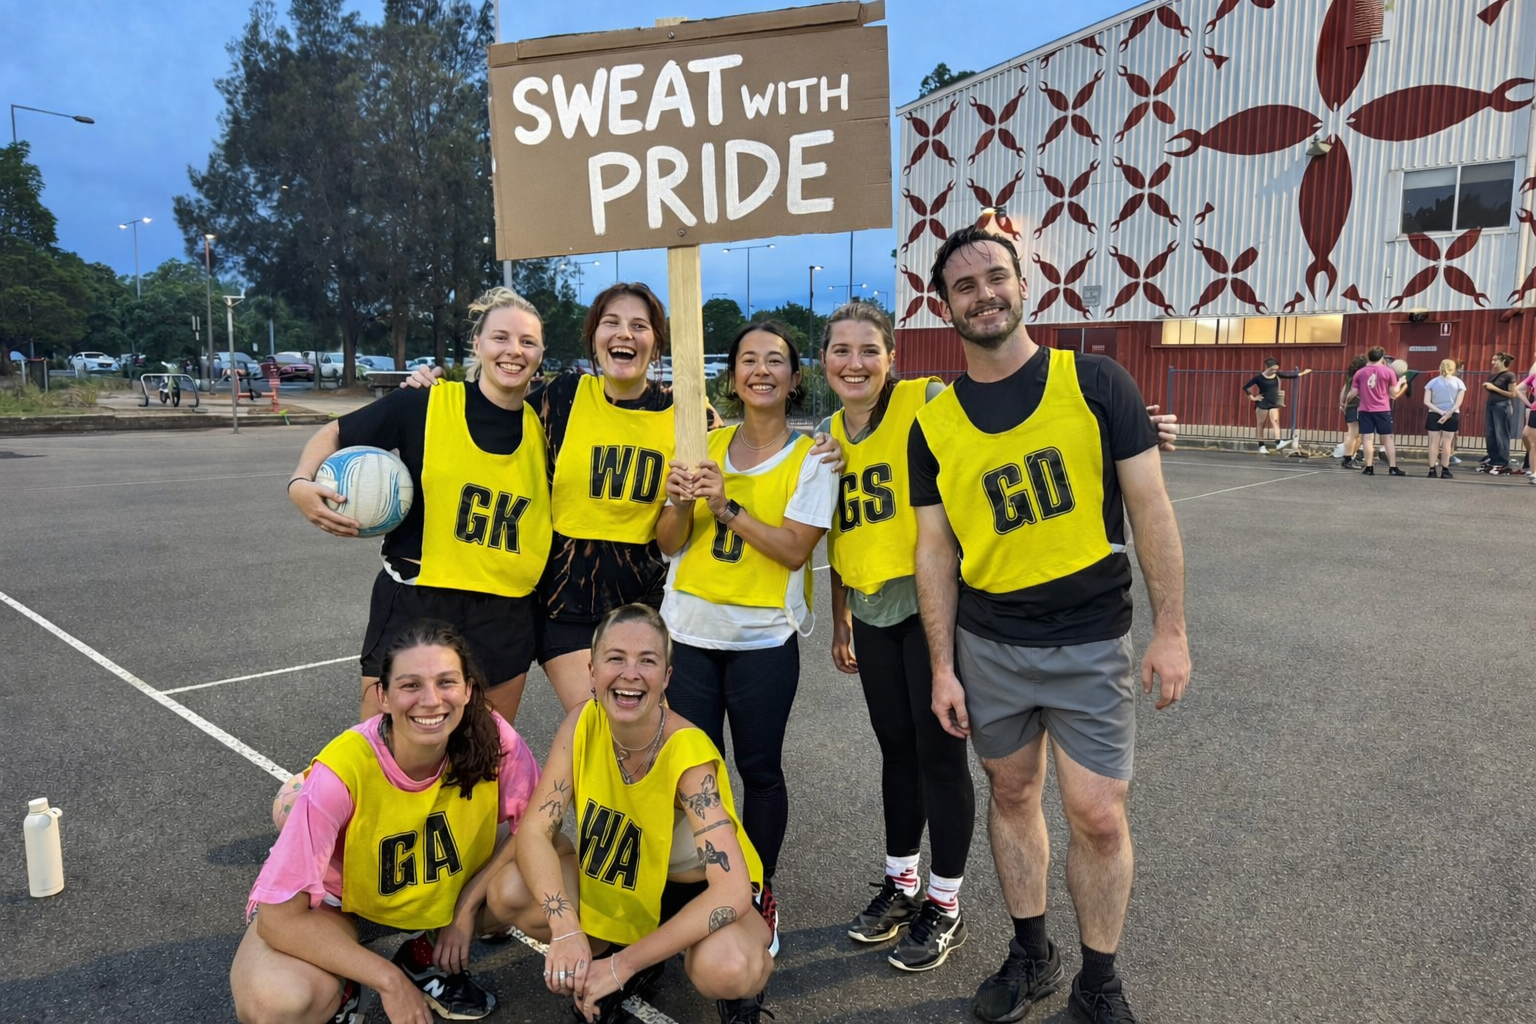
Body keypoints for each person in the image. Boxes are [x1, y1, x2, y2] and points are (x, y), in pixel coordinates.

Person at [912, 226, 1190, 1024]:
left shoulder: (1095, 381)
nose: (983, 294)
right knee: (1010, 791)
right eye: (964, 286)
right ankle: (1031, 951)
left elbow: (1151, 508)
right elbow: (935, 551)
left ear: (1023, 284)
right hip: (990, 644)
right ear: (946, 307)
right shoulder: (934, 423)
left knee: (1098, 815)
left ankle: (1100, 984)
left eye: (995, 277)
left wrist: (1171, 629)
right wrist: (941, 664)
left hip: (1091, 637)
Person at [402, 283, 835, 714]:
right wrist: (434, 390)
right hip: (565, 598)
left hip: (647, 600)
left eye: (639, 325)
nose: (624, 333)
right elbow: (494, 415)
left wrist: (828, 444)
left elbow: (743, 443)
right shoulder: (564, 396)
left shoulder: (688, 412)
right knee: (596, 723)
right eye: (611, 323)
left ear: (656, 342)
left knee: (642, 733)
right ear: (594, 337)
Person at [231, 620, 546, 1024]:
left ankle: (425, 956)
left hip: (435, 885)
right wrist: (387, 981)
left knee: (535, 874)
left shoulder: (493, 738)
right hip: (343, 902)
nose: (431, 700)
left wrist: (467, 908)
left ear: (468, 690)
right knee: (272, 1004)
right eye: (411, 685)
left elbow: (537, 827)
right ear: (383, 695)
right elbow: (279, 920)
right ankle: (346, 987)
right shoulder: (343, 771)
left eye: (446, 682)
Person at [287, 287, 551, 725]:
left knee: (484, 757)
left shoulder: (548, 427)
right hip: (417, 598)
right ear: (478, 345)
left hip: (506, 613)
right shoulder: (425, 403)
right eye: (501, 337)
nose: (514, 351)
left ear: (541, 352)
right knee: (384, 748)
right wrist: (300, 482)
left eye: (528, 342)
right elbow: (333, 434)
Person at [659, 321, 838, 956]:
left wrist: (727, 506)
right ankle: (690, 893)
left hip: (763, 638)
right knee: (692, 775)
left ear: (794, 379)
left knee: (758, 771)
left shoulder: (814, 456)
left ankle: (757, 892)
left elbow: (793, 551)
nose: (760, 370)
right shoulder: (702, 442)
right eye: (747, 360)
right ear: (731, 375)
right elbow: (669, 542)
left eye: (776, 361)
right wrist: (680, 502)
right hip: (691, 633)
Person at [509, 604, 775, 1024]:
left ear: (666, 677)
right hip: (629, 883)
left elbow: (731, 892)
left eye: (647, 661)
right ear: (592, 670)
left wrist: (620, 966)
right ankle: (632, 951)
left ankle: (698, 974)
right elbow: (535, 832)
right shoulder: (581, 723)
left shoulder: (686, 751)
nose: (630, 673)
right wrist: (565, 928)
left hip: (696, 890)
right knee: (511, 893)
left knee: (728, 966)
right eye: (616, 658)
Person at [1345, 348, 1408, 477]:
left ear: (1369, 356)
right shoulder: (1388, 371)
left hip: (1365, 409)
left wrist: (1345, 402)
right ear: (1382, 357)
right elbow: (1394, 392)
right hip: (1382, 410)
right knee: (1388, 438)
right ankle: (1393, 467)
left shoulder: (1360, 372)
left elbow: (1353, 392)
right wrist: (1401, 382)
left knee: (1367, 439)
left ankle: (1369, 467)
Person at [1242, 358, 1311, 453]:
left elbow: (1291, 376)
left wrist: (1303, 373)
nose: (1274, 371)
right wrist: (1253, 398)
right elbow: (1245, 387)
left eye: (1276, 369)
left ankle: (1279, 442)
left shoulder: (1277, 374)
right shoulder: (1259, 378)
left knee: (1275, 421)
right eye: (1272, 369)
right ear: (1266, 367)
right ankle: (1261, 446)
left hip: (1273, 403)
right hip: (1263, 403)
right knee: (1260, 424)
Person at [1423, 359, 1466, 479]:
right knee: (1447, 442)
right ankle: (1445, 470)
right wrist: (1449, 412)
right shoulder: (1459, 383)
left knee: (1433, 443)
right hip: (1452, 414)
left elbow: (1426, 401)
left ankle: (1432, 469)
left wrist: (1440, 411)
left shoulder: (1432, 382)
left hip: (1434, 413)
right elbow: (1459, 402)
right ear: (1453, 369)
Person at [1480, 352, 1518, 474]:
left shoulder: (1509, 375)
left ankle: (1502, 460)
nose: (1493, 362)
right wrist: (1489, 388)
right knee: (1490, 433)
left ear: (1502, 361)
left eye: (1495, 360)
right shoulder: (1493, 375)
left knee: (1501, 433)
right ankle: (1493, 458)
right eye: (1492, 360)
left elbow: (1513, 394)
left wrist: (1493, 388)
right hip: (1491, 405)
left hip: (1502, 406)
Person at [1337, 354, 1368, 468]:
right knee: (1354, 434)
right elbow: (1354, 392)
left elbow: (1344, 389)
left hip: (1350, 405)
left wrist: (1341, 403)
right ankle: (1348, 458)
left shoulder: (1350, 375)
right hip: (1356, 405)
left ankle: (1351, 457)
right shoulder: (1362, 375)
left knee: (1355, 434)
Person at [1517, 360, 1536, 485]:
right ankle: (1534, 472)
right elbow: (1517, 389)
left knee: (1534, 445)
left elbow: (1517, 389)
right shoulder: (1533, 376)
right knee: (1533, 444)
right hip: (1534, 410)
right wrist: (1529, 404)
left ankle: (1534, 473)